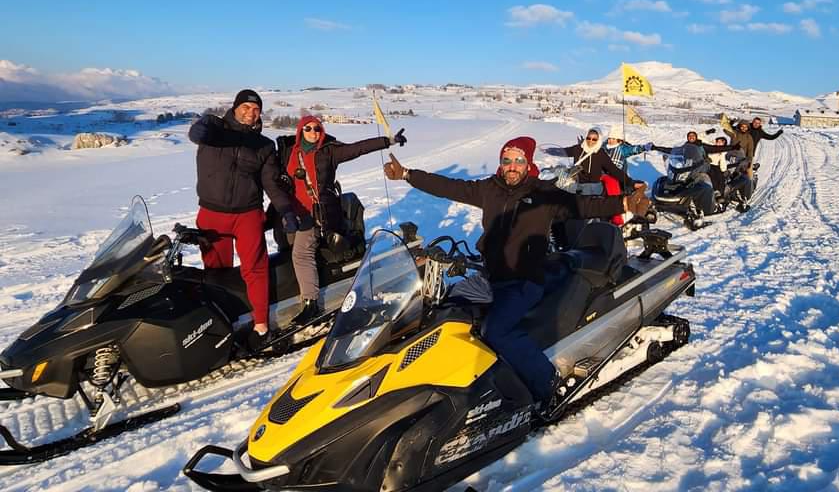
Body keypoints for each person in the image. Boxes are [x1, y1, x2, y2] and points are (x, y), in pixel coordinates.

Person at [382, 136, 650, 413]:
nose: (512, 166)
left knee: (497, 330)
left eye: (518, 161)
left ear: (528, 164)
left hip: (525, 280)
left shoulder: (543, 193)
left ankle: (547, 383)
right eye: (507, 160)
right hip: (492, 276)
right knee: (444, 312)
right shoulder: (489, 188)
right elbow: (449, 187)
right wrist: (406, 174)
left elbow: (582, 205)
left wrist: (625, 204)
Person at [189, 89, 295, 342]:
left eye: (256, 109)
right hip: (212, 214)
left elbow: (271, 184)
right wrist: (202, 126)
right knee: (215, 272)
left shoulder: (264, 146)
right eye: (246, 107)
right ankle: (223, 325)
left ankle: (260, 325)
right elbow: (196, 134)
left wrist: (286, 210)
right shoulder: (215, 130)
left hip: (247, 214)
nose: (251, 113)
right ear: (235, 107)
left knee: (255, 270)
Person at [281, 115, 406, 324]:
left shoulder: (329, 151)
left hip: (320, 213)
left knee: (301, 253)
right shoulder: (290, 153)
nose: (314, 133)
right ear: (300, 131)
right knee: (287, 246)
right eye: (308, 129)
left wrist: (387, 141)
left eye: (317, 130)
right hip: (295, 212)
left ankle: (311, 303)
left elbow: (358, 148)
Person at [543, 127, 642, 193]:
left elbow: (614, 170)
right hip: (576, 184)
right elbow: (564, 151)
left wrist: (631, 182)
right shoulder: (578, 148)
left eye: (594, 139)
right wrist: (549, 150)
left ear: (598, 140)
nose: (590, 141)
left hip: (592, 187)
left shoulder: (600, 154)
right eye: (588, 138)